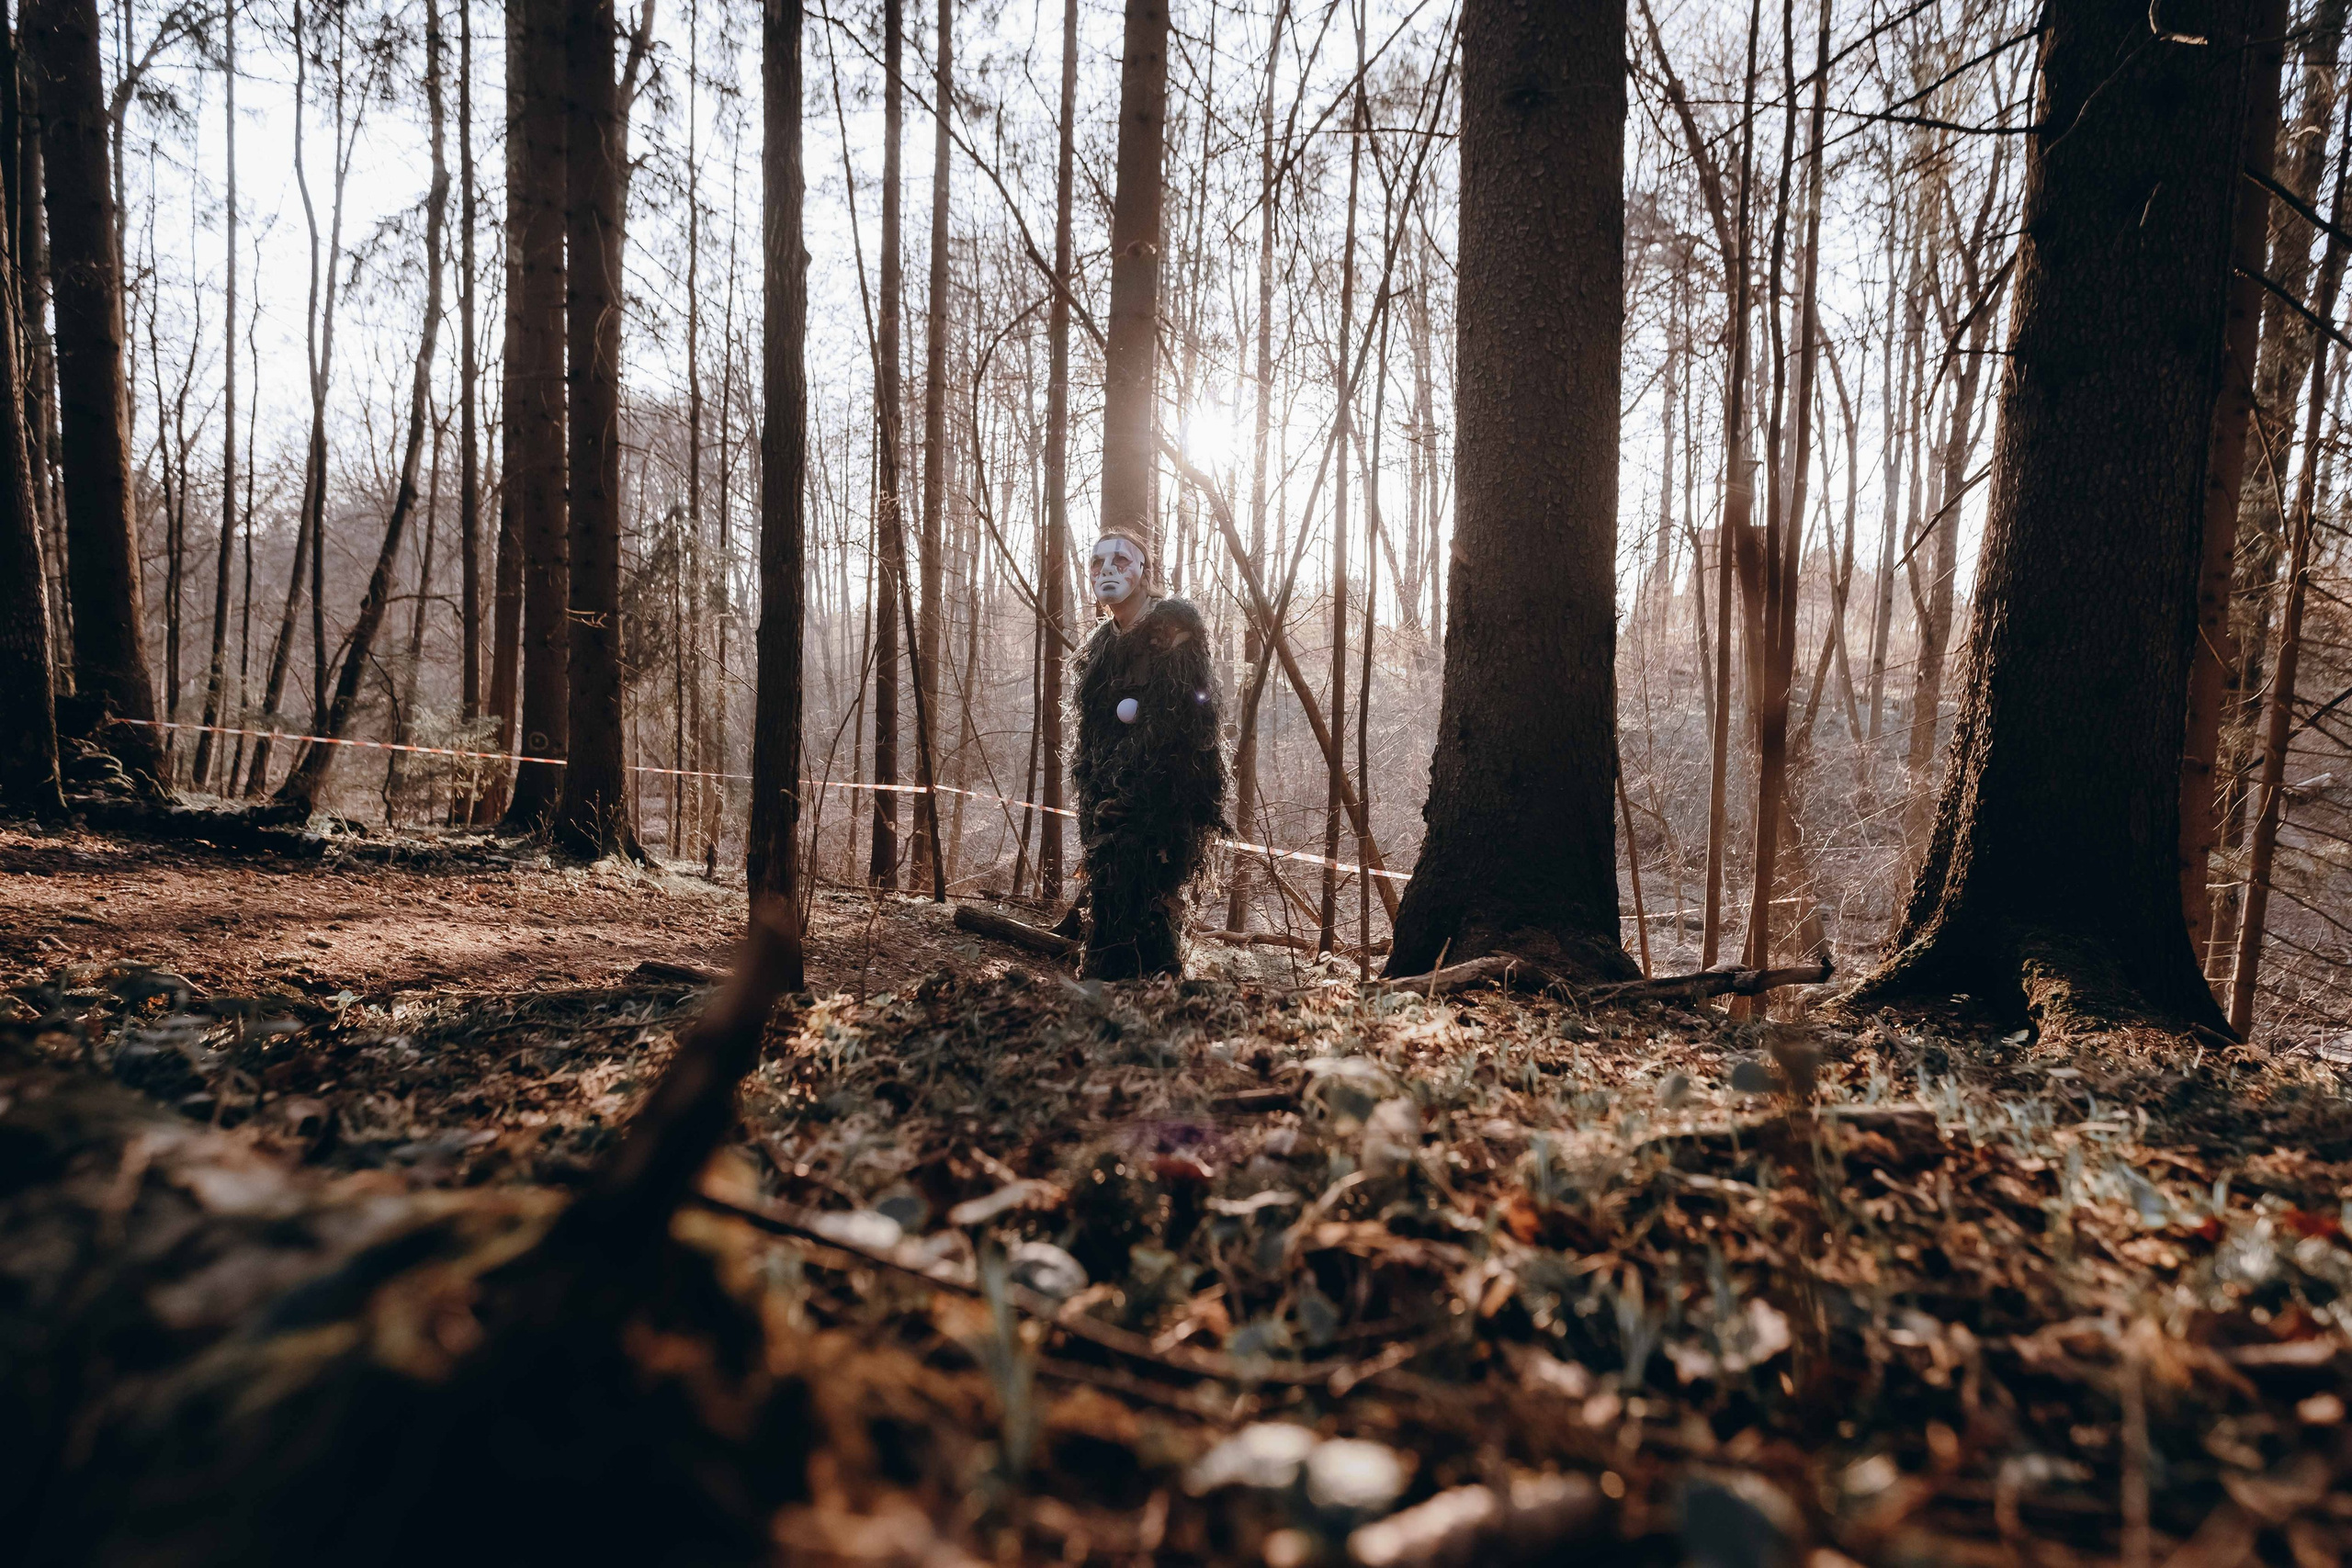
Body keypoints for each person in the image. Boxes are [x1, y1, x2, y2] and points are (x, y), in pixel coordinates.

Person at [1069, 531, 1227, 978]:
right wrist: (1098, 795)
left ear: (1144, 572)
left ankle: (1158, 1001)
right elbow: (1092, 732)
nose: (1108, 570)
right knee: (1109, 903)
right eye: (1098, 563)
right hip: (1109, 803)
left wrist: (1133, 788)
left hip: (1165, 798)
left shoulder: (1172, 629)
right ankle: (1109, 1000)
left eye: (1121, 560)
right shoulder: (1102, 645)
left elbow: (1181, 721)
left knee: (1149, 906)